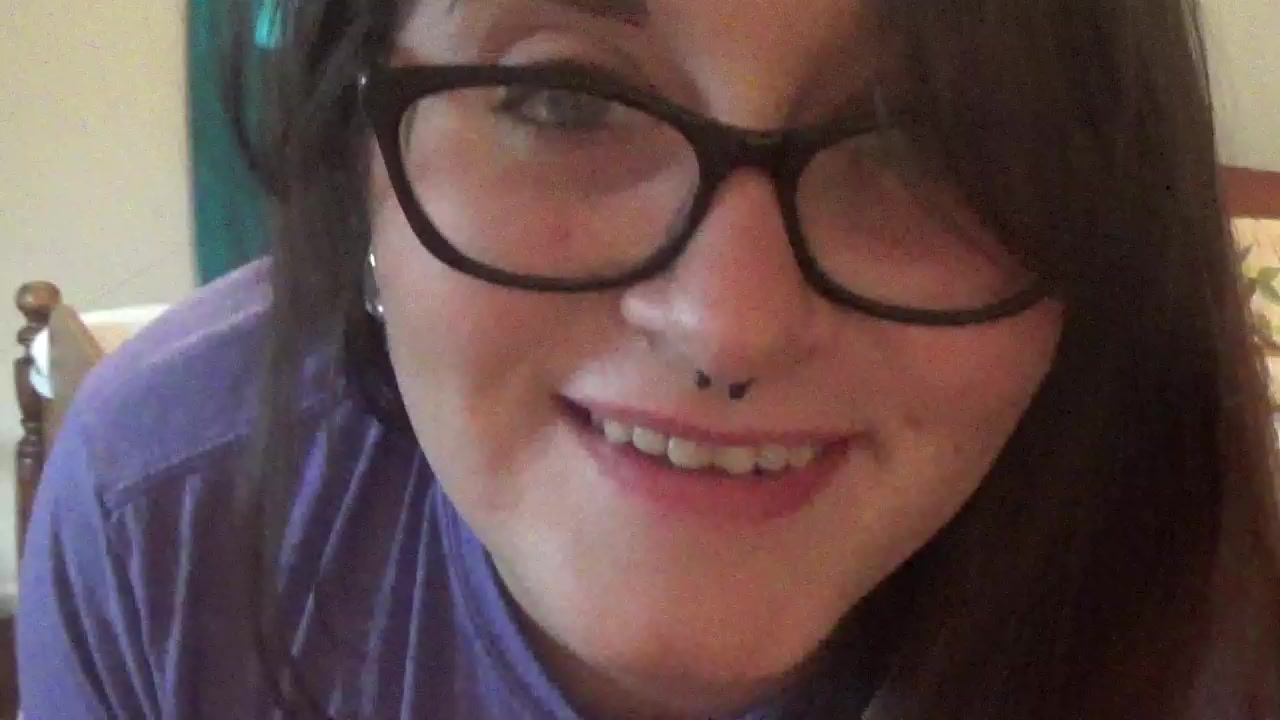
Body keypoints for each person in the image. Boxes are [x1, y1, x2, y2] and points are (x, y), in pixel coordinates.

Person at [16, 0, 1280, 717]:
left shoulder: (1195, 597)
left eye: (927, 135)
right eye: (563, 99)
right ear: (356, 159)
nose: (731, 326)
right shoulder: (164, 523)